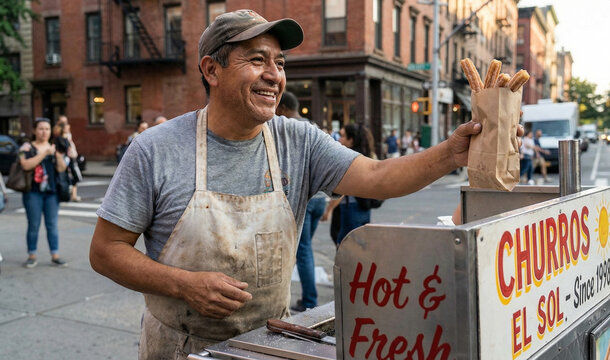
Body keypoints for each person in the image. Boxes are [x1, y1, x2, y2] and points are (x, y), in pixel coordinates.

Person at [89, 9, 520, 359]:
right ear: (211, 69)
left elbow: (375, 176)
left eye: (279, 63)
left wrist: (450, 152)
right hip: (178, 348)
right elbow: (106, 252)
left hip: (270, 344)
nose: (274, 75)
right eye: (256, 60)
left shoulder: (299, 139)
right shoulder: (156, 149)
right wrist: (182, 285)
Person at [275, 91, 326, 312]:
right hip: (321, 198)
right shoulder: (313, 126)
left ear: (284, 108)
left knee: (302, 250)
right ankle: (308, 298)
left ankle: (309, 301)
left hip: (303, 198)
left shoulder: (287, 128)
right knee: (305, 249)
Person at [19, 118, 68, 268]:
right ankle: (32, 255)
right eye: (41, 129)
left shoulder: (53, 148)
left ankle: (55, 255)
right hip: (33, 192)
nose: (44, 132)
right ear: (34, 130)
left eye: (47, 129)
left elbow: (61, 169)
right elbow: (26, 165)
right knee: (33, 224)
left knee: (52, 224)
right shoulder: (26, 148)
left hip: (51, 192)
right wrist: (44, 153)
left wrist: (57, 155)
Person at [321, 123, 378, 245]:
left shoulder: (350, 160)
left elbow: (343, 190)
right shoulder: (368, 156)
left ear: (351, 140)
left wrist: (329, 209)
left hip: (351, 208)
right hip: (364, 207)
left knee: (346, 245)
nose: (339, 139)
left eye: (342, 136)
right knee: (360, 246)